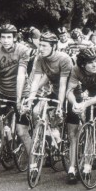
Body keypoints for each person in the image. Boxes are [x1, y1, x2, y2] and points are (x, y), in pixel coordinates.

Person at [25, 32, 74, 182]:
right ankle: (47, 135)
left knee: (62, 116)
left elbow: (64, 84)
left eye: (44, 46)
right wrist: (30, 97)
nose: (41, 48)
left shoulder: (64, 59)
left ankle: (60, 137)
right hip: (54, 90)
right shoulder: (40, 58)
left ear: (54, 47)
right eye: (40, 45)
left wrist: (60, 105)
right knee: (35, 111)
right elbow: (37, 80)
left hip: (69, 91)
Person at [65, 48, 96, 179]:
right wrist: (75, 103)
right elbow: (69, 91)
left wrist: (85, 104)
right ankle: (72, 168)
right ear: (82, 65)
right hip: (85, 95)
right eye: (90, 63)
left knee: (95, 125)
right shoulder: (76, 69)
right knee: (72, 131)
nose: (94, 64)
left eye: (95, 61)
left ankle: (88, 163)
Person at [0, 24, 33, 169]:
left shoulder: (22, 50)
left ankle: (33, 162)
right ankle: (4, 144)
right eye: (3, 37)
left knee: (22, 132)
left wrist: (18, 99)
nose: (6, 40)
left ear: (15, 38)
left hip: (21, 93)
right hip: (3, 92)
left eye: (9, 37)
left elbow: (21, 75)